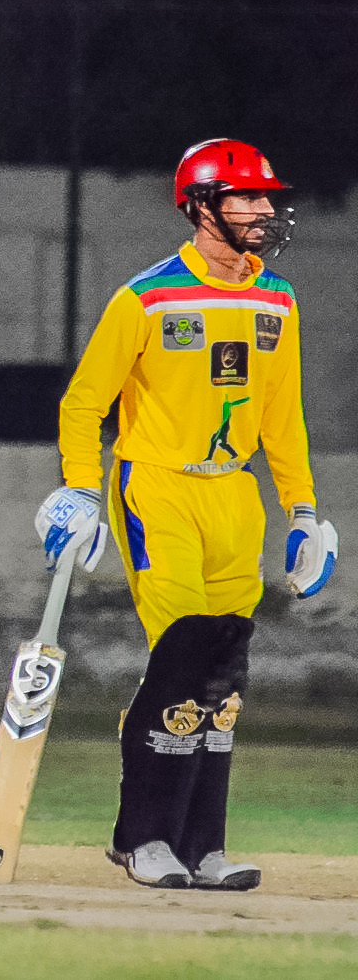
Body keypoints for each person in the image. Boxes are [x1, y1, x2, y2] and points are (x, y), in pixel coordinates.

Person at [37, 138, 338, 892]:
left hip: (235, 495)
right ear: (203, 206)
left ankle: (203, 846)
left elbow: (283, 419)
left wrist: (303, 510)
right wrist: (81, 490)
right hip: (158, 487)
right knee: (180, 658)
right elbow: (83, 404)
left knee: (223, 675)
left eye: (266, 197)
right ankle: (143, 838)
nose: (264, 209)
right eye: (247, 197)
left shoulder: (278, 299)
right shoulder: (146, 298)